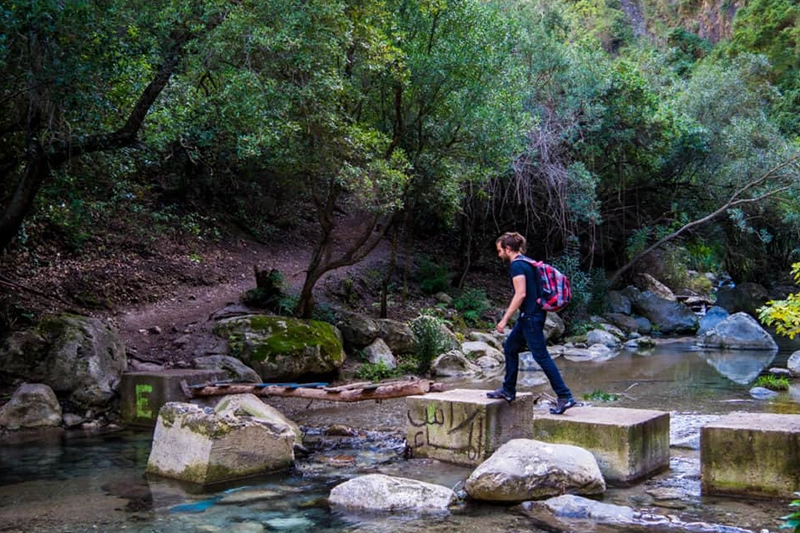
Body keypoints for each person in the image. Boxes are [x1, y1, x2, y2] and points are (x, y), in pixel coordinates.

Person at [487, 231, 576, 414]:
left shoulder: (517, 266)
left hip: (530, 318)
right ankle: (508, 390)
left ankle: (565, 396)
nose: (499, 254)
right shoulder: (527, 262)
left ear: (508, 248)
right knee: (511, 347)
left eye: (500, 250)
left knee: (541, 356)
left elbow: (521, 294)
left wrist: (504, 320)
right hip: (530, 317)